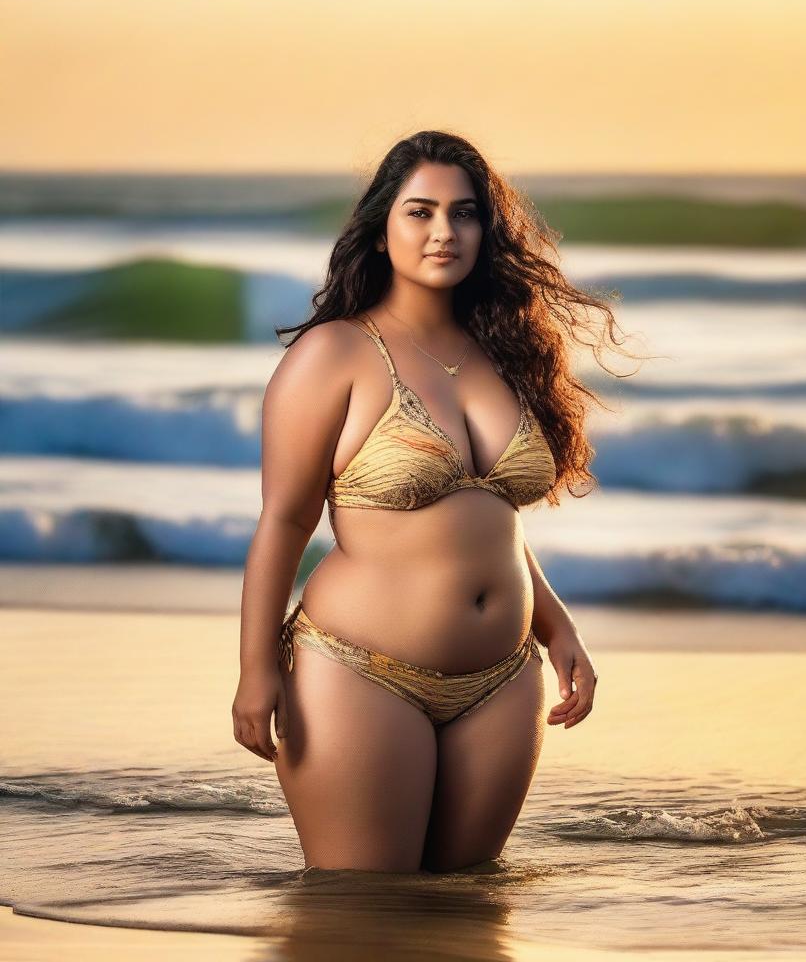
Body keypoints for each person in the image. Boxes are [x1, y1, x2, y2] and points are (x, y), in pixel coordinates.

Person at [232, 130, 633, 873]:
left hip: (504, 680)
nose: (444, 231)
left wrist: (557, 625)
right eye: (420, 212)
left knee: (462, 918)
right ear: (382, 230)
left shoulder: (509, 353)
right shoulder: (333, 354)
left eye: (465, 213)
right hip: (360, 672)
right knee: (363, 920)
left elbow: (489, 521)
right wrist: (256, 669)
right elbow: (285, 522)